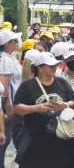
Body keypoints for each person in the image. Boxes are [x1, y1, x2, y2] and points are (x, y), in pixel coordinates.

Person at [13, 52, 74, 168]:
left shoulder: (61, 82)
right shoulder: (28, 86)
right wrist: (35, 108)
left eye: (55, 65)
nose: (54, 68)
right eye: (51, 66)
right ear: (39, 67)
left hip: (62, 137)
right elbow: (17, 108)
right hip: (36, 140)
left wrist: (64, 105)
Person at [0, 31, 22, 168]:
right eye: (14, 40)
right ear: (8, 44)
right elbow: (4, 86)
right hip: (9, 107)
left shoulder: (10, 57)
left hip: (13, 104)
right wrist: (8, 108)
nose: (17, 42)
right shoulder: (5, 60)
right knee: (5, 139)